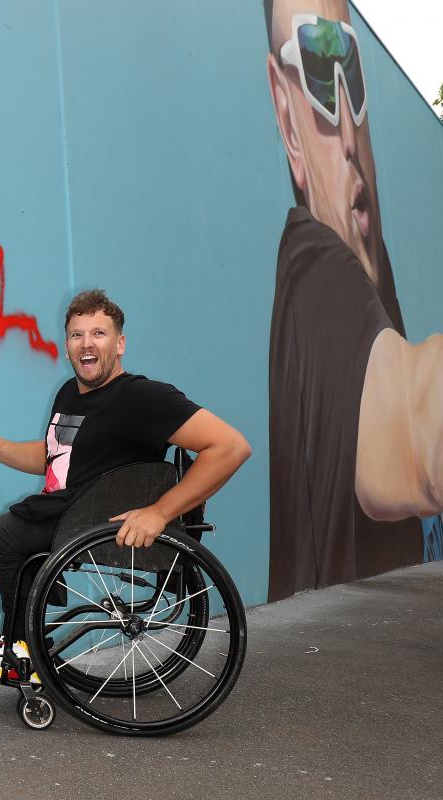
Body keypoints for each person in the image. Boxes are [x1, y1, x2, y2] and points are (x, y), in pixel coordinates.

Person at [0, 289, 251, 680]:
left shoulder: (142, 396)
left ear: (120, 343)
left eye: (99, 333)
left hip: (97, 520)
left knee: (3, 534)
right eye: (77, 335)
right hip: (68, 509)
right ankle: (25, 639)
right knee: (12, 533)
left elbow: (231, 447)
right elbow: (55, 459)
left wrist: (160, 512)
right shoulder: (68, 393)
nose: (87, 343)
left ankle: (24, 646)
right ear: (67, 346)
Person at [262, 0, 442, 601]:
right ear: (287, 122)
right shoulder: (318, 270)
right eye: (318, 67)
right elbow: (419, 420)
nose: (347, 127)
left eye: (353, 76)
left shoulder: (371, 266)